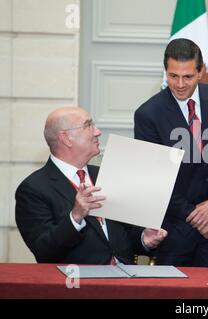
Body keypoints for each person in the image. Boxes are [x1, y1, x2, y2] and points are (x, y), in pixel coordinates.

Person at [15, 107, 168, 265]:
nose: (97, 132)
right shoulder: (33, 189)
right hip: (77, 284)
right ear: (66, 138)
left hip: (126, 280)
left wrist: (144, 238)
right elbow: (44, 251)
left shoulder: (105, 174)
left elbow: (122, 234)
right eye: (88, 125)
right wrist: (75, 217)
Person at [134, 38, 208, 267]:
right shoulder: (148, 114)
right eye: (173, 76)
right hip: (175, 234)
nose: (180, 84)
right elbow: (154, 179)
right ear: (165, 71)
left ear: (200, 72)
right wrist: (197, 217)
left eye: (188, 76)